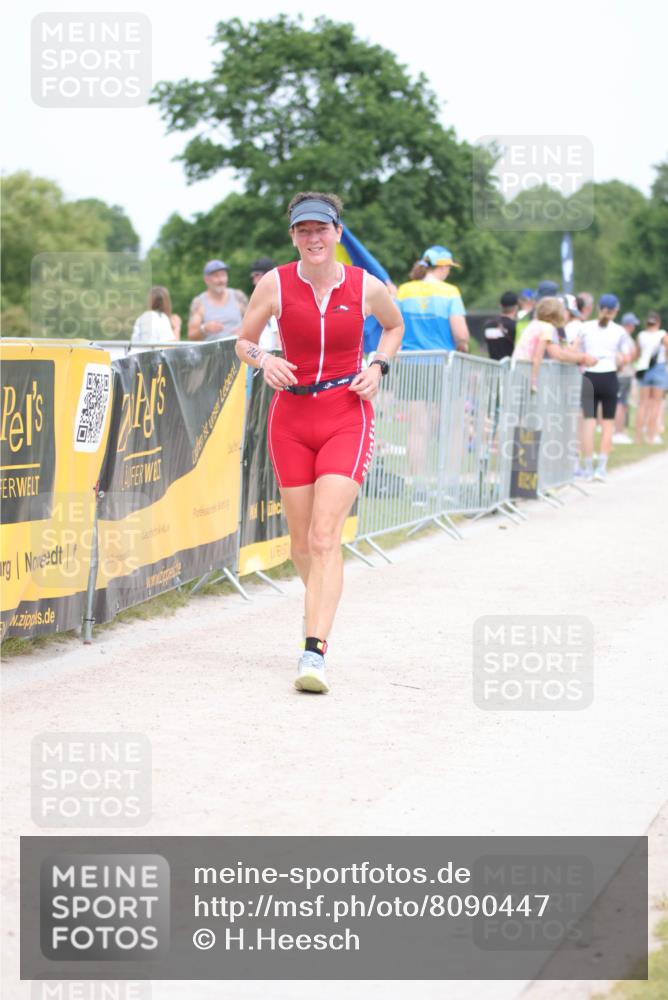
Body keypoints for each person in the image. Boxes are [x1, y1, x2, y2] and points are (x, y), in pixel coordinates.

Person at [234, 192, 404, 694]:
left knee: (327, 537)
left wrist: (378, 365)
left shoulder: (365, 285)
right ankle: (323, 602)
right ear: (293, 236)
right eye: (303, 231)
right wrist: (264, 361)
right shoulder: (276, 283)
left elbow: (394, 326)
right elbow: (243, 341)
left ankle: (314, 651)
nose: (313, 238)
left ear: (337, 233)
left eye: (321, 229)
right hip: (290, 417)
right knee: (302, 543)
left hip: (345, 414)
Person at [395, 246, 469, 496]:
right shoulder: (450, 292)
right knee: (452, 427)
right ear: (443, 267)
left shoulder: (404, 291)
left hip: (411, 363)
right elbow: (460, 334)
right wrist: (464, 346)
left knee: (416, 429)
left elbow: (393, 324)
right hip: (443, 364)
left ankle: (418, 487)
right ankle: (448, 485)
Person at [578, 294, 634, 481]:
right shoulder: (619, 331)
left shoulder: (585, 327)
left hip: (590, 376)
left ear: (598, 308)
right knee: (608, 423)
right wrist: (619, 361)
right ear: (616, 311)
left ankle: (586, 467)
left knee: (588, 422)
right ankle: (601, 467)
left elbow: (577, 350)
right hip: (609, 376)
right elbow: (626, 358)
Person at [513, 296, 594, 392]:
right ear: (558, 314)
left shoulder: (534, 324)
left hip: (517, 368)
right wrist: (533, 381)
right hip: (527, 372)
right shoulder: (548, 328)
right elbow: (547, 354)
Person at [188, 260, 248, 341]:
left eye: (223, 275)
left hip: (238, 350)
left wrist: (244, 331)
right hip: (211, 352)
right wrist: (204, 329)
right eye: (216, 276)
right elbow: (191, 337)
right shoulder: (199, 302)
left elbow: (255, 323)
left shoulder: (238, 296)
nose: (221, 280)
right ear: (206, 280)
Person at [634, 311, 668, 444]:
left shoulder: (641, 336)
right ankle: (651, 436)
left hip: (644, 369)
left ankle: (637, 437)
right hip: (658, 369)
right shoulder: (663, 334)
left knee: (642, 404)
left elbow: (637, 354)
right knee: (656, 405)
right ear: (658, 322)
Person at [613, 312, 640, 444]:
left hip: (621, 373)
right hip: (623, 373)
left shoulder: (618, 334)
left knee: (622, 403)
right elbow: (628, 356)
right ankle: (618, 432)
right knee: (621, 403)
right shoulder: (625, 337)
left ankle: (620, 431)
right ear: (629, 325)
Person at [249, 257, 279, 351]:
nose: (254, 281)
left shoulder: (277, 299)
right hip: (261, 358)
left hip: (273, 359)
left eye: (257, 275)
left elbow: (279, 340)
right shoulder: (258, 300)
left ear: (268, 275)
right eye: (253, 276)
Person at [484, 291, 518, 361]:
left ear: (500, 305)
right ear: (516, 307)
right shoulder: (516, 326)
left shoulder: (488, 325)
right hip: (509, 369)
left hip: (492, 368)